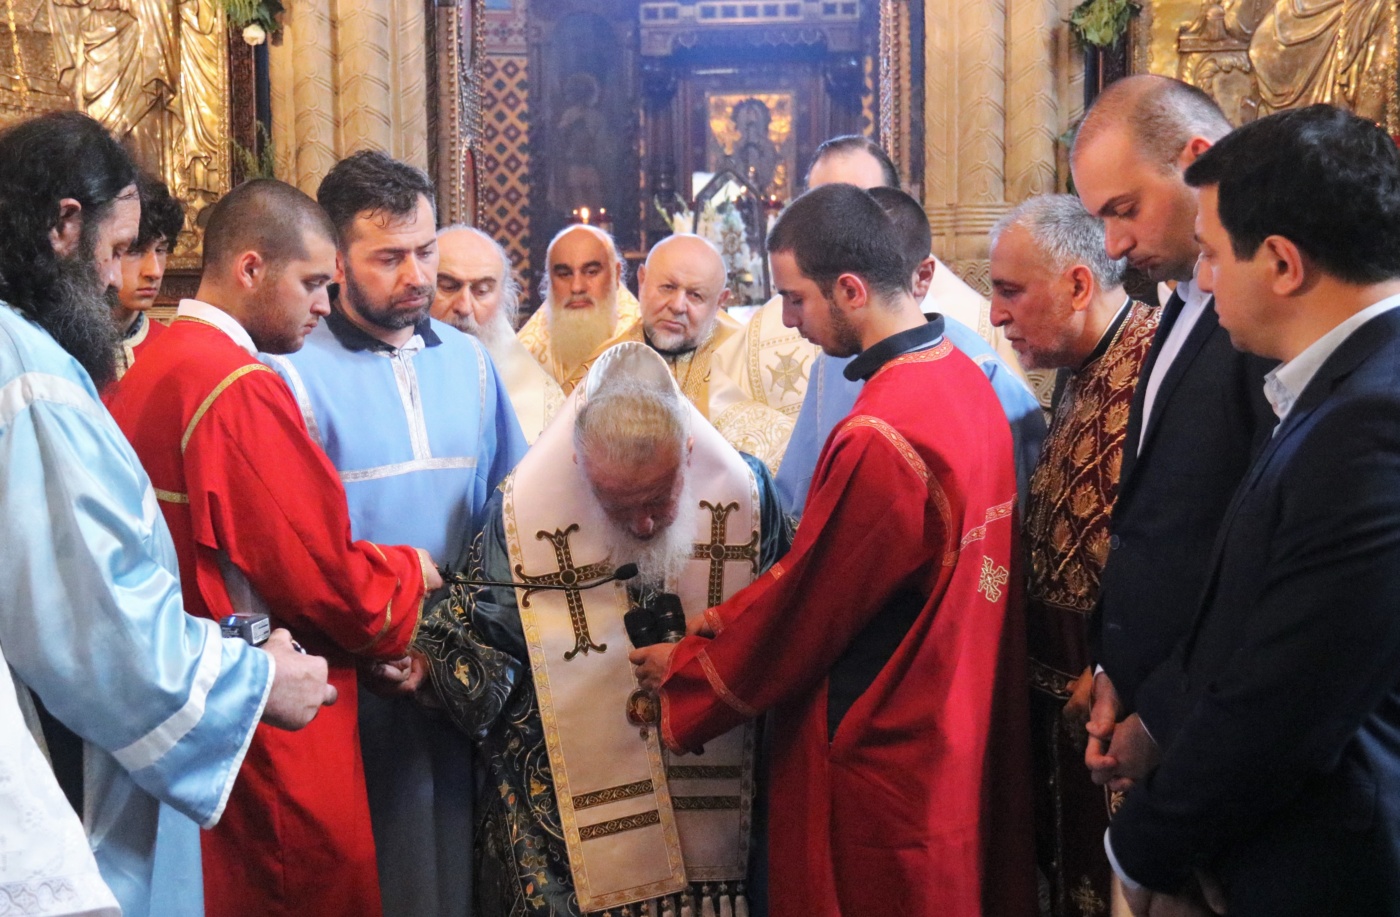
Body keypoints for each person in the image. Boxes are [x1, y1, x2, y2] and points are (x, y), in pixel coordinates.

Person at [632, 183, 1035, 917]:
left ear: (850, 288)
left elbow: (812, 609)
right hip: (961, 713)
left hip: (884, 738)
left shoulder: (881, 432)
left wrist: (691, 671)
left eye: (795, 299)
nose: (786, 321)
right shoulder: (966, 382)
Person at [0, 111, 331, 917]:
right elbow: (92, 620)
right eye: (116, 250)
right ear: (62, 226)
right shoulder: (27, 372)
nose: (120, 281)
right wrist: (254, 678)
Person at [109, 178, 441, 917]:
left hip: (190, 705)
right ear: (251, 269)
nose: (324, 305)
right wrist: (409, 577)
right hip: (268, 710)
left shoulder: (153, 363)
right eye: (314, 283)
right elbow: (319, 570)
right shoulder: (233, 385)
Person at [1102, 104, 1400, 917]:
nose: (1201, 279)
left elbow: (1288, 695)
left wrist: (1141, 848)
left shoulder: (1375, 419)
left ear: (1280, 262)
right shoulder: (1337, 392)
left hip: (1325, 863)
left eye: (1209, 253)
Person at [415, 341, 790, 916]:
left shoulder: (748, 499)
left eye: (660, 501)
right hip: (574, 831)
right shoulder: (522, 519)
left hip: (721, 817)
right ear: (578, 466)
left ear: (689, 452)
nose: (643, 523)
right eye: (618, 505)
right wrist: (428, 668)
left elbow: (788, 626)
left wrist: (705, 663)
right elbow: (478, 641)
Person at [266, 152, 528, 917]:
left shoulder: (473, 365)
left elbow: (506, 521)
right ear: (336, 262)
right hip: (347, 684)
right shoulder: (288, 373)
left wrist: (456, 655)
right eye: (389, 258)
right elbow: (296, 551)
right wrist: (386, 644)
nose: (416, 276)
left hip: (459, 682)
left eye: (425, 251)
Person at [1070, 75, 1274, 750]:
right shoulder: (1181, 298)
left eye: (1124, 209)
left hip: (1217, 722)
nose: (1112, 244)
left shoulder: (1265, 320)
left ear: (1195, 159)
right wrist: (1112, 663)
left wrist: (1163, 715)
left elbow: (1254, 548)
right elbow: (1152, 516)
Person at [987, 194, 1158, 917]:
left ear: (1079, 285)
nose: (995, 315)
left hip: (1122, 713)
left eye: (1010, 291)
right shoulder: (1076, 361)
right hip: (1055, 704)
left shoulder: (1153, 363)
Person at [712, 134, 1036, 427]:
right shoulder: (776, 326)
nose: (840, 233)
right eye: (823, 211)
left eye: (859, 208)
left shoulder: (974, 329)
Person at [775, 184, 1047, 518]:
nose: (788, 320)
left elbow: (1016, 514)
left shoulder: (980, 368)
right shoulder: (832, 365)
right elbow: (800, 505)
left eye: (797, 299)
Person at [632, 232, 793, 470]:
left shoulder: (747, 358)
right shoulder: (601, 365)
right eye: (667, 287)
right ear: (642, 281)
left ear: (721, 301)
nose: (677, 306)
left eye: (695, 295)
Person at [432, 224, 563, 442]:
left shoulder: (534, 397)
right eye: (447, 286)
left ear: (504, 297)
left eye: (481, 291)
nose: (464, 307)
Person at [516, 223, 642, 393]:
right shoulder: (526, 355)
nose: (577, 287)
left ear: (616, 274)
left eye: (591, 272)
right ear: (549, 281)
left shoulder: (643, 347)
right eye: (564, 274)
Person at [107, 170, 182, 389]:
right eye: (136, 251)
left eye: (161, 250)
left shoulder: (172, 349)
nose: (155, 271)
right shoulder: (61, 347)